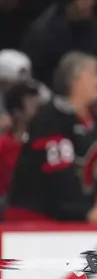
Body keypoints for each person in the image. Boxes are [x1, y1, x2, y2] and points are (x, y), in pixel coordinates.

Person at [5, 52, 97, 224]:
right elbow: (58, 177)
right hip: (35, 217)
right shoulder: (51, 119)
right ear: (74, 82)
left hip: (76, 216)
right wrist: (86, 211)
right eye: (92, 75)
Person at [0, 81, 41, 212]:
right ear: (16, 111)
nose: (36, 104)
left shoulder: (43, 141)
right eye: (30, 100)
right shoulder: (4, 146)